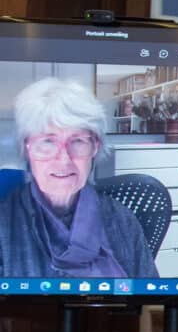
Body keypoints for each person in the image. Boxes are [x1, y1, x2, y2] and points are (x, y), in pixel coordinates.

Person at [0, 77, 157, 278]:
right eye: (48, 141)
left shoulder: (123, 220)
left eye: (78, 141)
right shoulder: (5, 223)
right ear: (27, 148)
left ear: (95, 147)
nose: (64, 159)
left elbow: (149, 300)